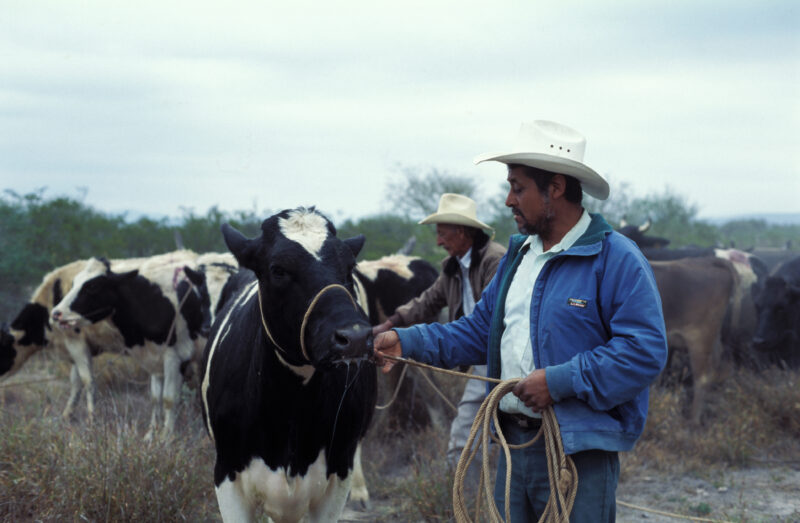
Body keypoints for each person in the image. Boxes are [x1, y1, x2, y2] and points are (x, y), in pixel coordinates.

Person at [374, 120, 668, 522]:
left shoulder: (616, 258)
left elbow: (644, 352)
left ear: (557, 187)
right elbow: (478, 333)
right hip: (515, 445)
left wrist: (558, 381)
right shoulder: (518, 258)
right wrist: (405, 341)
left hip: (578, 454)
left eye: (518, 187)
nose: (510, 201)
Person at [372, 192, 506, 468]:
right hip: (482, 359)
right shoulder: (452, 268)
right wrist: (388, 324)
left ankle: (468, 496)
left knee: (471, 436)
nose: (438, 241)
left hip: (503, 360)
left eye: (442, 234)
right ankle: (465, 499)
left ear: (461, 231)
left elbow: (496, 319)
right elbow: (427, 301)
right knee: (471, 436)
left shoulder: (496, 260)